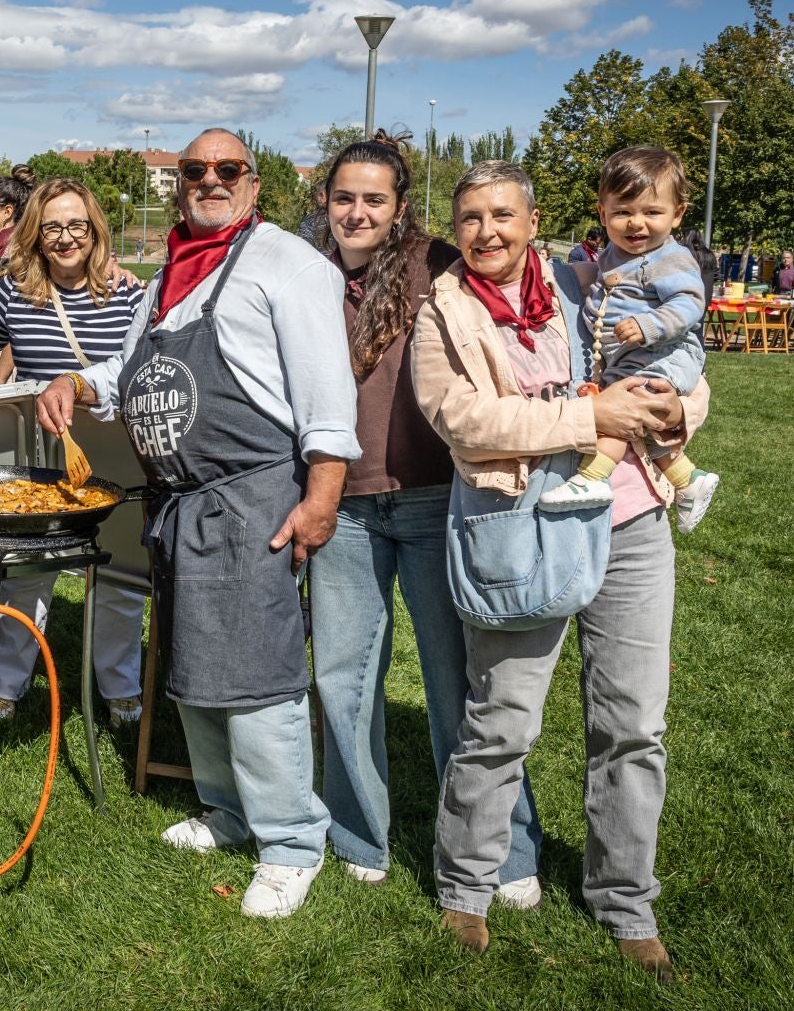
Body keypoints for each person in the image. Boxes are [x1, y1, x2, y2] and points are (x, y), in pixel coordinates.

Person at [35, 128, 359, 921]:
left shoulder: (287, 262)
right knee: (194, 672)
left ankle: (290, 842)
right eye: (195, 170)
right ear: (179, 182)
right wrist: (79, 382)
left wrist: (321, 498)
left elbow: (326, 392)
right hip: (179, 505)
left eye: (228, 169)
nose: (210, 180)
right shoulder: (170, 275)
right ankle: (229, 812)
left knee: (256, 677)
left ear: (254, 183)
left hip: (252, 500)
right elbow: (130, 368)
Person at [411, 160, 708, 982]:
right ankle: (466, 890)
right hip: (518, 528)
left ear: (533, 220)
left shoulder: (591, 281)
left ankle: (625, 902)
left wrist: (685, 410)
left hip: (632, 517)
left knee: (633, 725)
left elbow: (686, 357)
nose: (487, 233)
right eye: (470, 218)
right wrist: (589, 414)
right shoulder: (443, 310)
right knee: (502, 719)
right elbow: (464, 420)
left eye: (503, 215)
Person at [305, 138, 545, 903]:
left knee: (462, 685)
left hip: (437, 497)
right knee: (344, 677)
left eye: (375, 199)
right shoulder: (304, 275)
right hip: (342, 507)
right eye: (345, 197)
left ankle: (502, 850)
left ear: (400, 206)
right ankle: (358, 833)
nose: (358, 212)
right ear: (325, 201)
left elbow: (523, 302)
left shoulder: (439, 263)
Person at [0, 177, 146, 725]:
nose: (66, 239)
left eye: (77, 226)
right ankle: (6, 685)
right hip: (38, 456)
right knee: (25, 572)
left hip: (114, 452)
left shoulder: (131, 294)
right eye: (53, 228)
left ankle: (120, 687)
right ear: (36, 234)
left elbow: (140, 369)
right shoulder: (15, 292)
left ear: (95, 230)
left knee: (117, 576)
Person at [539, 149, 718, 533]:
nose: (637, 223)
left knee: (620, 415)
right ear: (603, 214)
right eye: (623, 212)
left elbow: (690, 302)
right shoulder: (613, 255)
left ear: (677, 214)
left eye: (652, 212)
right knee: (644, 426)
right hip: (634, 356)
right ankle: (689, 480)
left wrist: (650, 324)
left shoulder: (670, 258)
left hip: (665, 352)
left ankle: (593, 478)